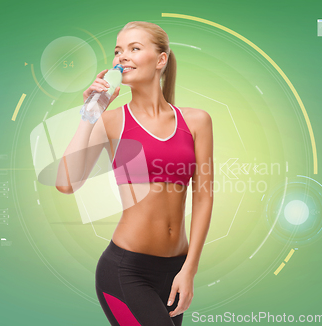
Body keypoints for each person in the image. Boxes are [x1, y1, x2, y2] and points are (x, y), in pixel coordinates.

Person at [56, 21, 213, 326]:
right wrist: (90, 114)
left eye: (134, 48)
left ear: (160, 60)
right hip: (126, 271)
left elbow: (204, 198)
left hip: (176, 270)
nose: (122, 57)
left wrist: (189, 269)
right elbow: (65, 184)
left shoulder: (197, 121)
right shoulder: (111, 122)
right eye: (118, 51)